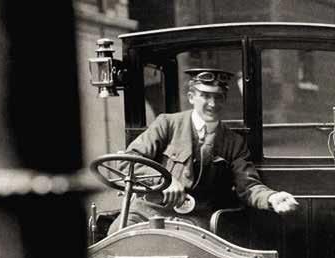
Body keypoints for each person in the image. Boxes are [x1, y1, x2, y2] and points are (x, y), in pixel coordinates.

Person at [109, 68, 297, 233]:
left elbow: (248, 186)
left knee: (190, 252)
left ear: (224, 99)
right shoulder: (167, 124)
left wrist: (272, 197)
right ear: (191, 97)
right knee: (117, 235)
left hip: (195, 218)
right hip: (148, 210)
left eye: (218, 97)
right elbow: (128, 161)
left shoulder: (234, 143)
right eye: (205, 96)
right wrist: (165, 181)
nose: (212, 104)